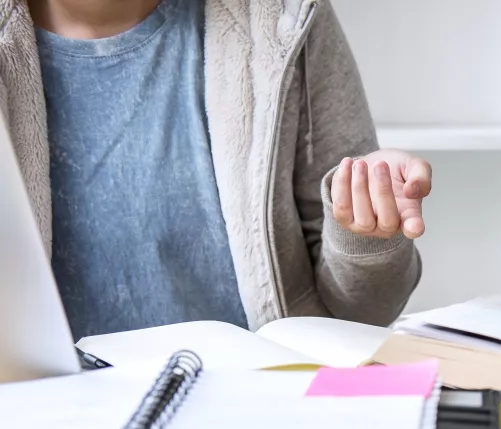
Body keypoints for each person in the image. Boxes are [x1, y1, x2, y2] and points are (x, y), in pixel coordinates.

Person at [1, 0, 430, 340]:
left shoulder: (285, 18)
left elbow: (366, 315)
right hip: (45, 428)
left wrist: (366, 232)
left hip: (262, 415)